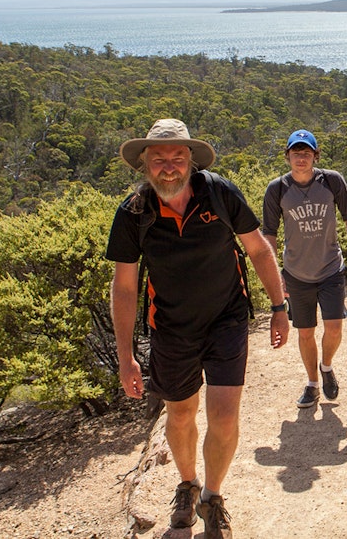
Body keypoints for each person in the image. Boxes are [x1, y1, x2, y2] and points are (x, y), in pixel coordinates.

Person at [107, 119, 290, 538]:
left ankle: (211, 497)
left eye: (177, 157)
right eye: (159, 159)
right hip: (171, 328)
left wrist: (279, 306)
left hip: (226, 319)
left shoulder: (219, 192)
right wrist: (125, 356)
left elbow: (258, 249)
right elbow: (124, 285)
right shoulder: (134, 213)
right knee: (181, 413)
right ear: (144, 165)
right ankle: (187, 484)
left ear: (190, 160)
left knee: (224, 417)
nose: (168, 166)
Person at [263, 129, 347, 409]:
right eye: (296, 153)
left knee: (334, 328)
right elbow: (269, 234)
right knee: (305, 332)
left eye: (306, 153)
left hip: (331, 268)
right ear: (287, 156)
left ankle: (327, 365)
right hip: (296, 273)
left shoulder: (331, 181)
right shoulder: (277, 189)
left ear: (315, 156)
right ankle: (312, 384)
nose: (301, 158)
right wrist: (276, 275)